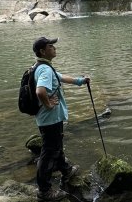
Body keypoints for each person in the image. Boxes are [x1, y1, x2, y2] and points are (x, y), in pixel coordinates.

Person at [32, 36, 90, 201]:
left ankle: (66, 169)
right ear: (43, 51)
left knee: (56, 146)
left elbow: (62, 77)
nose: (54, 48)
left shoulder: (43, 66)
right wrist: (49, 105)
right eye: (51, 46)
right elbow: (40, 91)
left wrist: (81, 81)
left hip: (50, 119)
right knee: (48, 153)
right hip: (49, 119)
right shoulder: (44, 69)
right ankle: (44, 191)